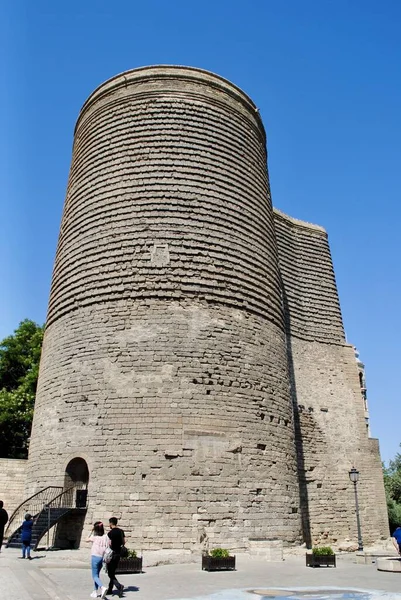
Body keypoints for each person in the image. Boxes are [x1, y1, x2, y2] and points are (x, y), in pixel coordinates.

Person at [86, 521, 110, 599]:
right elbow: (109, 544)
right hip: (102, 557)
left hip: (95, 557)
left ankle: (102, 587)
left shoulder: (95, 537)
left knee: (94, 576)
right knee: (97, 575)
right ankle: (95, 591)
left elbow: (86, 539)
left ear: (95, 529)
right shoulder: (105, 537)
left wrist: (91, 531)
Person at [106, 517, 125, 597]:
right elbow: (124, 542)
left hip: (112, 554)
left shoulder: (110, 533)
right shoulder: (121, 531)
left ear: (111, 523)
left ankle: (119, 586)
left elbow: (108, 544)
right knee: (112, 572)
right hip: (118, 554)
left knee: (110, 573)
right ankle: (110, 589)